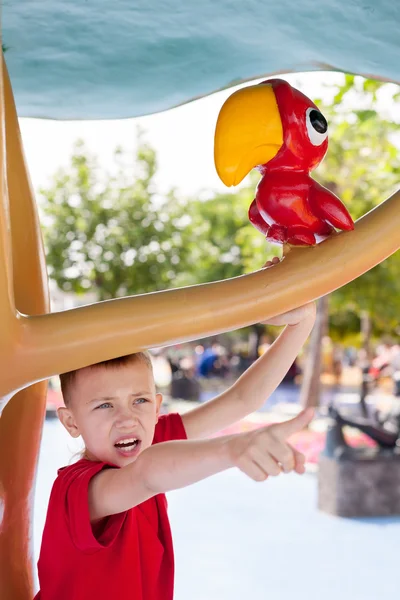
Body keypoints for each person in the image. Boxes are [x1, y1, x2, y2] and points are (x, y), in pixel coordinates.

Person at [35, 296, 316, 600]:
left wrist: (302, 323)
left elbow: (241, 400)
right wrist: (232, 449)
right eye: (104, 405)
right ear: (71, 421)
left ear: (156, 408)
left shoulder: (153, 438)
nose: (127, 419)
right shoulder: (77, 490)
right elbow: (146, 474)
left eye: (139, 400)